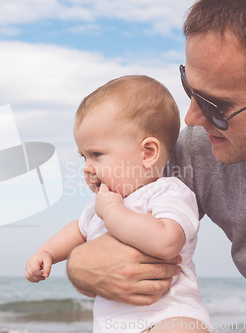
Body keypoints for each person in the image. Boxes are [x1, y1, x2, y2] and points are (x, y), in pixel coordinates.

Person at [65, 1, 246, 332]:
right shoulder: (202, 148)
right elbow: (116, 221)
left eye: (216, 105)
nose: (192, 118)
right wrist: (78, 266)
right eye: (189, 89)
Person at [25, 75, 212, 332]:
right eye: (84, 157)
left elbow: (167, 242)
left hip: (169, 316)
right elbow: (77, 231)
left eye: (97, 155)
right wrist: (46, 252)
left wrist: (112, 212)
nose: (87, 168)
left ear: (148, 153)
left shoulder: (168, 191)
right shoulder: (100, 204)